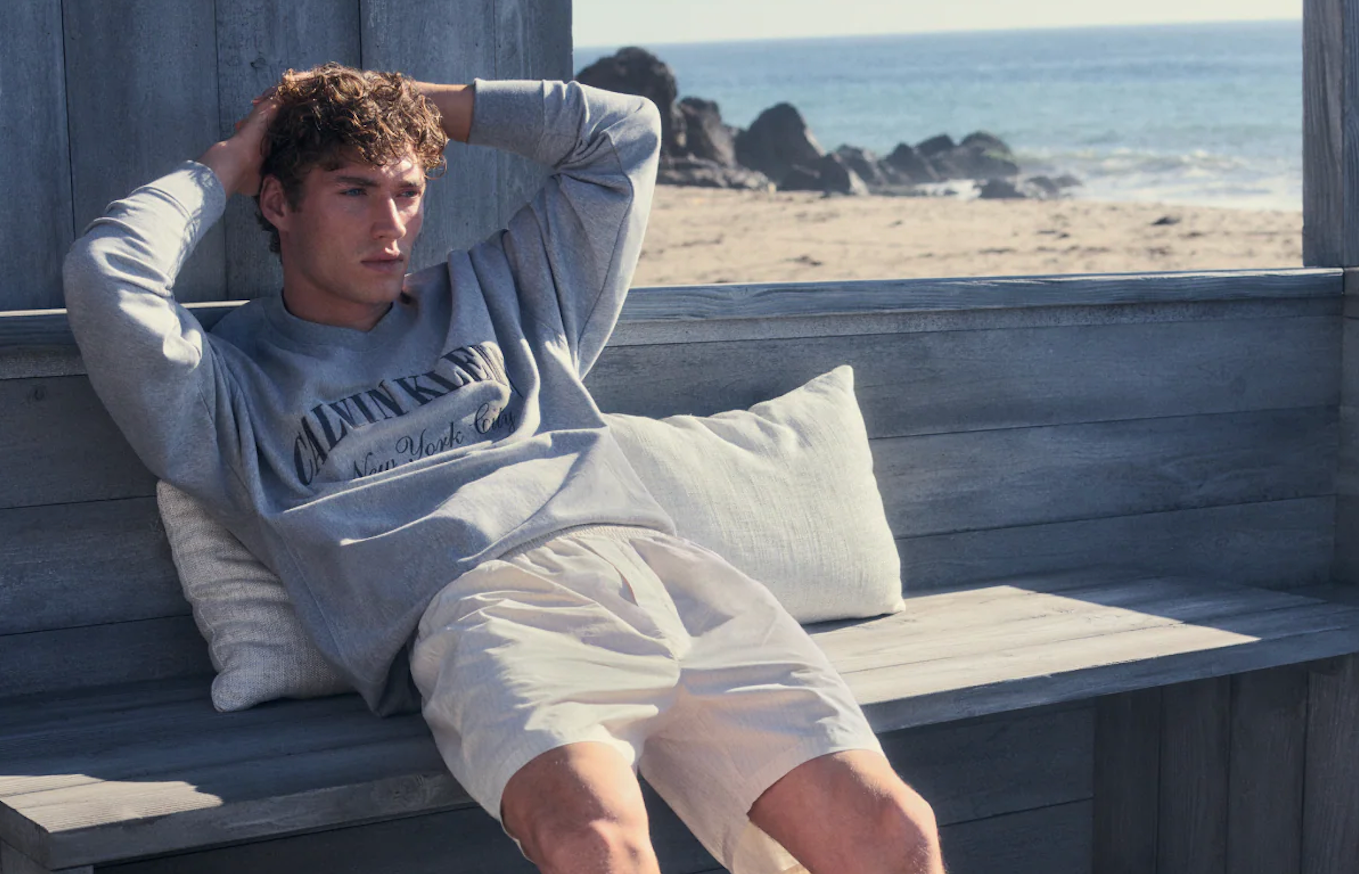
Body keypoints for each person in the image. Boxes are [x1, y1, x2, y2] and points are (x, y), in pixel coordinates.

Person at [63, 63, 944, 874]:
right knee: (597, 846)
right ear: (278, 205)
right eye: (354, 190)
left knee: (892, 836)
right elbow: (108, 278)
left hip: (658, 571)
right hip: (479, 607)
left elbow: (622, 131)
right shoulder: (228, 386)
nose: (391, 224)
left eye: (408, 192)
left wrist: (413, 103)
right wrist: (229, 158)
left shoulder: (505, 293)